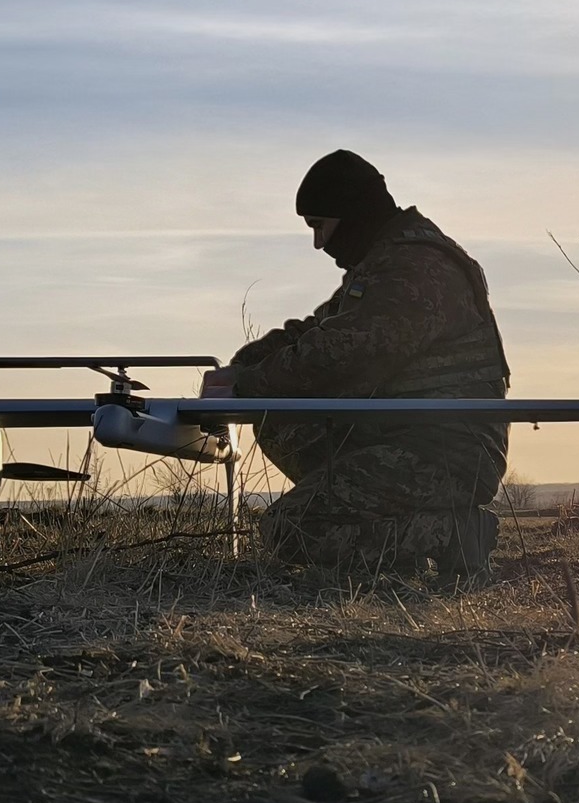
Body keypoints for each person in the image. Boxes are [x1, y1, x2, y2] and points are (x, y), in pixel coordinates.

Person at [201, 150, 509, 580]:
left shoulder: (416, 269)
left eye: (320, 227)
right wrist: (242, 368)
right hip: (404, 436)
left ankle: (451, 532)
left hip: (445, 454)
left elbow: (340, 358)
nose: (319, 244)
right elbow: (318, 330)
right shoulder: (388, 262)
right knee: (281, 422)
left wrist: (247, 385)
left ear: (352, 215)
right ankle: (396, 551)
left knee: (292, 530)